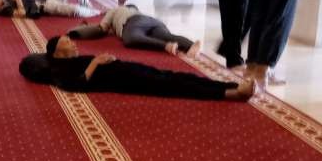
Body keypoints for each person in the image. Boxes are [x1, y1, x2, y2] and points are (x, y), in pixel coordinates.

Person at [19, 34, 255, 102]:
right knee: (173, 86)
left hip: (123, 69)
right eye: (67, 43)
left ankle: (232, 86)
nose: (72, 43)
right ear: (58, 53)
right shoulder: (59, 70)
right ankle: (231, 94)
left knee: (175, 76)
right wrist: (95, 62)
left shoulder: (65, 59)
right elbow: (76, 86)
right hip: (123, 81)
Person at [68, 0, 202, 56]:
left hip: (134, 23)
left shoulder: (112, 12)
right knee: (165, 35)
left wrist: (78, 31)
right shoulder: (128, 9)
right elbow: (122, 8)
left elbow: (101, 29)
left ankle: (165, 46)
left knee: (130, 38)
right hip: (152, 21)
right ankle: (190, 46)